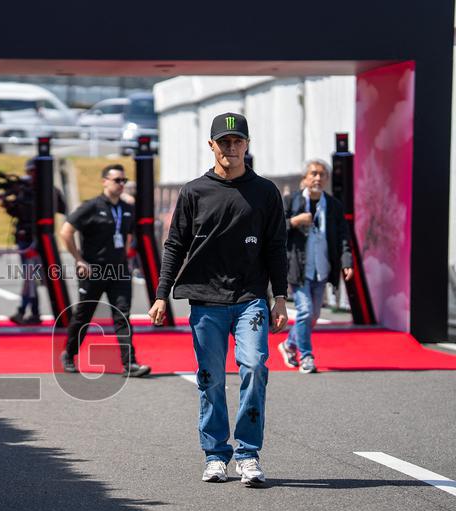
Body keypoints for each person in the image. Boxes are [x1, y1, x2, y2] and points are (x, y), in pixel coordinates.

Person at [148, 112, 288, 486]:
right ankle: (214, 454)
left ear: (247, 144)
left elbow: (276, 247)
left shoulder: (265, 192)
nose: (231, 147)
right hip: (206, 300)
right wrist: (162, 295)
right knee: (210, 378)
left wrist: (281, 298)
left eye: (237, 140)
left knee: (255, 367)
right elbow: (174, 244)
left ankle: (247, 454)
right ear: (211, 145)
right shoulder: (194, 191)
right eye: (223, 141)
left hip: (250, 300)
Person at [60, 164, 151, 377]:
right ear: (104, 181)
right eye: (117, 180)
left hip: (119, 271)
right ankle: (69, 353)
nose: (121, 184)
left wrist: (124, 259)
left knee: (122, 315)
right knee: (83, 315)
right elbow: (66, 231)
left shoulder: (128, 208)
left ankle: (130, 364)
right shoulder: (90, 206)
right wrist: (79, 260)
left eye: (123, 181)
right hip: (93, 270)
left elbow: (128, 236)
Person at [277, 159, 353, 373]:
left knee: (313, 316)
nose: (318, 178)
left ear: (327, 179)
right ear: (305, 179)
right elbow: (273, 231)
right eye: (313, 174)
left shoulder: (334, 206)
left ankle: (288, 345)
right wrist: (294, 221)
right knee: (305, 311)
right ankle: (307, 356)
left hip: (322, 269)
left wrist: (346, 262)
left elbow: (343, 238)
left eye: (322, 174)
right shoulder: (290, 201)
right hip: (298, 268)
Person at [10, 158, 65, 325]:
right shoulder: (24, 189)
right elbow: (15, 211)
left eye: (33, 171)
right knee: (30, 277)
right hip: (25, 239)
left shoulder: (50, 190)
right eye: (29, 172)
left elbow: (62, 208)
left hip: (44, 239)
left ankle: (29, 311)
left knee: (43, 278)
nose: (31, 175)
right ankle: (32, 312)